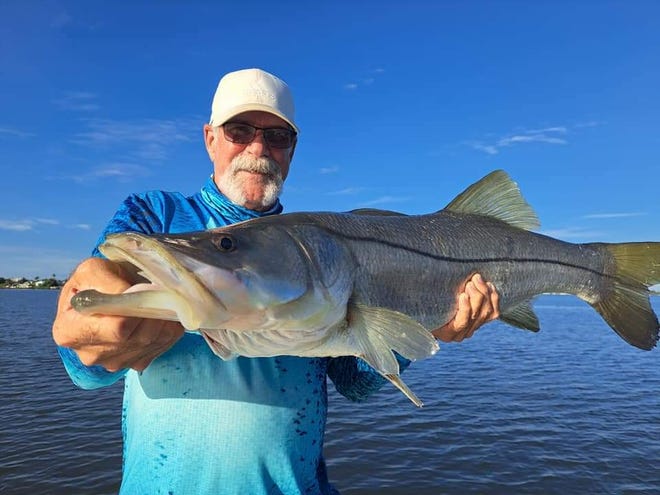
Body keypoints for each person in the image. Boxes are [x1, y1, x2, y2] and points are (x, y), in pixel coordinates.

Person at [52, 68, 500, 494]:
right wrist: (88, 342)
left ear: (292, 149)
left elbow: (356, 383)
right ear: (210, 139)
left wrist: (430, 328)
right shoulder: (154, 219)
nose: (258, 148)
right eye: (239, 130)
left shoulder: (320, 253)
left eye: (276, 135)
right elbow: (84, 364)